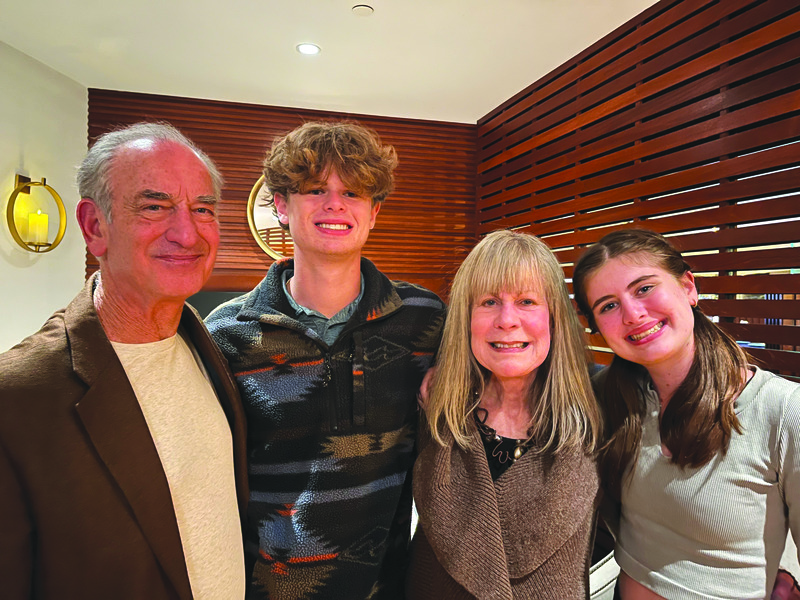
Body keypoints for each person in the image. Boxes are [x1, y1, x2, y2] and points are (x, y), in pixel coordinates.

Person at [0, 122, 248, 600]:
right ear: (95, 226)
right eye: (154, 207)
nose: (187, 232)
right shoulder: (18, 399)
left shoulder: (212, 346)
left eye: (203, 209)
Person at [205, 121, 445, 599]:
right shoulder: (225, 332)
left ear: (374, 212)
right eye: (315, 189)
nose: (335, 204)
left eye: (353, 193)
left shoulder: (426, 320)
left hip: (388, 587)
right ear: (280, 205)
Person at [572, 228, 800, 600]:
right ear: (596, 328)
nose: (633, 314)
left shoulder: (783, 408)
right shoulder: (605, 398)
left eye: (644, 288)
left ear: (688, 287)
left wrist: (787, 567)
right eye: (608, 305)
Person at [406, 229, 603, 598]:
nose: (507, 320)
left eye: (527, 301)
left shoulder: (599, 410)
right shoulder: (433, 405)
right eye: (489, 302)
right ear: (465, 317)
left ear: (554, 317)